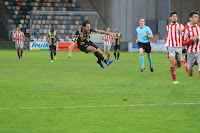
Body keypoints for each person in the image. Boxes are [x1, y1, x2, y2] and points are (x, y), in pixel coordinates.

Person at [162, 12, 184, 85]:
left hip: (179, 47)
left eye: (176, 16)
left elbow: (186, 34)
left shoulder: (181, 26)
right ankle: (174, 80)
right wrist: (164, 39)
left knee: (179, 65)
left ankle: (182, 60)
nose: (175, 17)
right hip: (171, 47)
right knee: (172, 63)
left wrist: (182, 31)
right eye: (173, 16)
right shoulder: (168, 26)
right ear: (170, 18)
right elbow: (169, 33)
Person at [182, 11, 200, 80]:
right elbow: (182, 43)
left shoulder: (198, 26)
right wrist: (192, 40)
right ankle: (185, 61)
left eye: (198, 17)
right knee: (190, 74)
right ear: (190, 18)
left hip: (199, 50)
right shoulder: (186, 29)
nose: (197, 19)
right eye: (195, 17)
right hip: (190, 52)